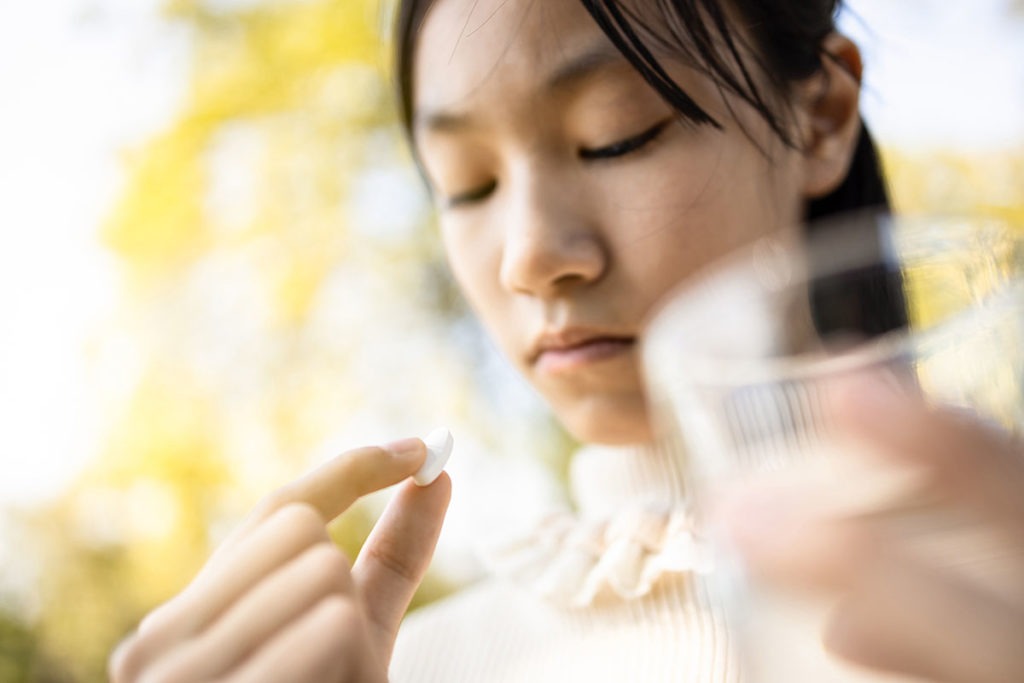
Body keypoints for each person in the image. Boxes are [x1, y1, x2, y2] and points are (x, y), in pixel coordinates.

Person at [108, 0, 1024, 681]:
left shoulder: (995, 582)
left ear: (820, 115)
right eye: (467, 185)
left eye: (615, 137)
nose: (529, 257)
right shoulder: (409, 664)